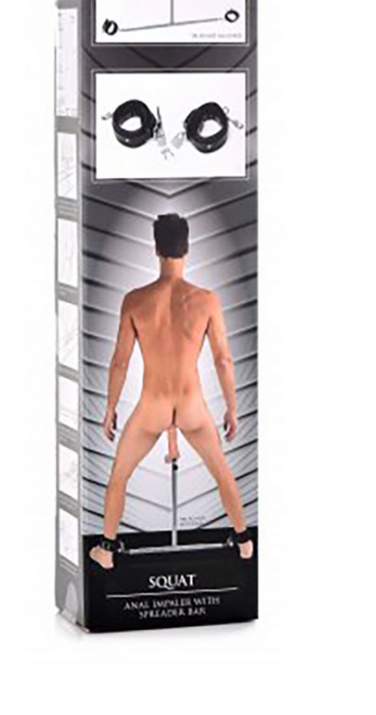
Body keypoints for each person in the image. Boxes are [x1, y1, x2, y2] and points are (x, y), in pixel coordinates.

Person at [89, 214, 253, 569]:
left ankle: (107, 551)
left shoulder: (135, 300)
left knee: (118, 477)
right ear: (187, 248)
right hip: (192, 406)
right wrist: (232, 408)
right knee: (222, 472)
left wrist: (110, 408)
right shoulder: (206, 300)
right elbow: (223, 360)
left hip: (153, 407)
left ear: (156, 249)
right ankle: (244, 542)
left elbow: (120, 362)